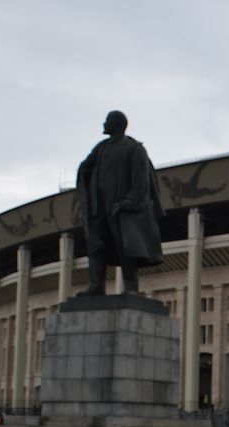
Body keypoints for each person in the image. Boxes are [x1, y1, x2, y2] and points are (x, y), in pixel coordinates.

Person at [75, 110, 164, 296]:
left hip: (124, 209)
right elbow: (86, 168)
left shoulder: (134, 148)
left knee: (126, 247)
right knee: (96, 244)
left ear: (117, 124)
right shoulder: (101, 148)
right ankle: (96, 285)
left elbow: (141, 180)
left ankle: (131, 287)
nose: (103, 124)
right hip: (100, 207)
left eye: (107, 121)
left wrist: (129, 202)